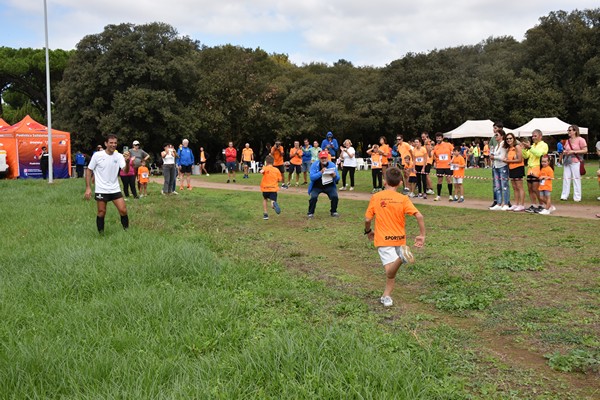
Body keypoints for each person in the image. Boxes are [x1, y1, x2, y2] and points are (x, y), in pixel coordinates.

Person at [364, 166, 426, 307]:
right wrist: (422, 235)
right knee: (392, 272)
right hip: (399, 240)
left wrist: (368, 231)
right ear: (400, 183)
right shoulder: (403, 199)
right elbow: (419, 215)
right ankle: (386, 296)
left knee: (390, 273)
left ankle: (401, 258)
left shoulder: (376, 197)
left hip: (384, 240)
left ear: (384, 181)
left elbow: (368, 220)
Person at [84, 134, 130, 233]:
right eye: (111, 143)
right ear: (106, 143)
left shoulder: (119, 156)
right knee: (101, 212)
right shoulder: (97, 155)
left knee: (123, 210)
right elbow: (89, 170)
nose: (113, 145)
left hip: (115, 188)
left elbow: (125, 171)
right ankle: (101, 234)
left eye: (115, 143)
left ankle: (127, 232)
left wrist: (128, 161)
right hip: (101, 189)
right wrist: (88, 188)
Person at [307, 150, 340, 218]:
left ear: (327, 158)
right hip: (317, 186)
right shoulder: (314, 165)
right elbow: (312, 177)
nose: (324, 159)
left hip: (329, 185)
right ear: (319, 158)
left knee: (335, 197)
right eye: (322, 158)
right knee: (313, 197)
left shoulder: (332, 165)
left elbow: (338, 178)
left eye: (325, 158)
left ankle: (333, 211)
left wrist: (334, 176)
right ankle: (310, 213)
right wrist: (320, 172)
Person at [522, 129, 549, 213]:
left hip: (537, 168)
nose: (533, 137)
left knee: (536, 188)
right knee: (530, 188)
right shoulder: (532, 145)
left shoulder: (544, 145)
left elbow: (540, 154)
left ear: (540, 136)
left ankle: (542, 204)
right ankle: (534, 205)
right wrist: (524, 149)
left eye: (535, 136)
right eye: (532, 136)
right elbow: (526, 156)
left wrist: (530, 147)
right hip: (530, 168)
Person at [561, 125, 587, 202]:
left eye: (570, 130)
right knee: (566, 178)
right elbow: (565, 150)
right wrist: (565, 152)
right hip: (567, 161)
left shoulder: (581, 139)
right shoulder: (567, 141)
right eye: (568, 130)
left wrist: (574, 151)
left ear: (575, 131)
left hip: (576, 161)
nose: (568, 131)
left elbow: (585, 150)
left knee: (576, 179)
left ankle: (577, 197)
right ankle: (564, 195)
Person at [503, 133, 526, 211]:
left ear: (514, 139)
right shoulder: (509, 149)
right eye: (507, 139)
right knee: (514, 187)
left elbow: (520, 159)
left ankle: (522, 204)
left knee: (520, 187)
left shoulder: (517, 147)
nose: (509, 140)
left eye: (510, 138)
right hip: (511, 168)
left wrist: (508, 161)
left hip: (518, 168)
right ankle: (516, 204)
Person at [489, 130, 510, 210]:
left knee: (504, 186)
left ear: (502, 136)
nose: (495, 136)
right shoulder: (497, 145)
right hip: (496, 167)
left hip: (502, 167)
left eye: (497, 135)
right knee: (497, 186)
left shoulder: (503, 145)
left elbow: (503, 157)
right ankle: (498, 203)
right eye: (495, 135)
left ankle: (506, 203)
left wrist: (494, 157)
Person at [432, 132, 454, 201]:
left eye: (439, 138)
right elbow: (433, 156)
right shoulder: (435, 147)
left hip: (448, 166)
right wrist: (436, 162)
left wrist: (451, 161)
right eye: (437, 138)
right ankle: (438, 196)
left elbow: (454, 153)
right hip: (439, 166)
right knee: (439, 181)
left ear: (442, 138)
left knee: (449, 180)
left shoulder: (448, 145)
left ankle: (450, 195)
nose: (438, 139)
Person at [259, 155, 283, 220]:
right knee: (272, 200)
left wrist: (262, 171)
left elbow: (262, 171)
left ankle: (265, 213)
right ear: (273, 162)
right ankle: (273, 204)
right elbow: (280, 179)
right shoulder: (276, 170)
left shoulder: (265, 168)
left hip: (265, 188)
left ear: (266, 162)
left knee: (265, 199)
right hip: (273, 188)